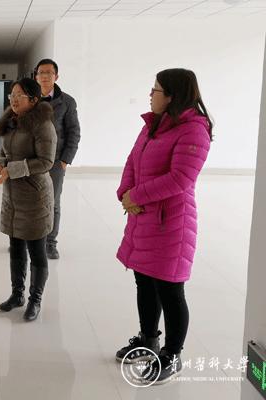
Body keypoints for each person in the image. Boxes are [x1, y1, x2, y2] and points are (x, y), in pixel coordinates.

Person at [114, 68, 212, 384]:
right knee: (144, 280)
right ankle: (148, 339)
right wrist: (124, 192)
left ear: (172, 96)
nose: (150, 94)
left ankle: (172, 355)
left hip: (171, 222)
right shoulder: (153, 124)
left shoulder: (194, 130)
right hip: (144, 216)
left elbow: (180, 179)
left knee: (170, 289)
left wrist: (136, 195)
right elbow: (133, 160)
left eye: (155, 89)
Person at [0, 77, 57, 321]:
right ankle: (17, 294)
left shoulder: (43, 125)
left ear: (34, 99)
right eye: (12, 95)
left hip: (34, 196)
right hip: (13, 195)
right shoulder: (12, 121)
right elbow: (6, 153)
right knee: (16, 246)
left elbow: (46, 162)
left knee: (37, 251)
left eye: (20, 95)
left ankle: (34, 300)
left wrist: (12, 170)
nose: (14, 99)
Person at [34, 59, 80, 260]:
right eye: (41, 72)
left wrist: (65, 160)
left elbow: (74, 131)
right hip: (32, 158)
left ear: (56, 76)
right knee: (30, 201)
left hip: (55, 160)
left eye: (49, 73)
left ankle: (50, 243)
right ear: (36, 76)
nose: (45, 76)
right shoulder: (29, 99)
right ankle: (29, 239)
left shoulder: (67, 102)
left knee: (52, 202)